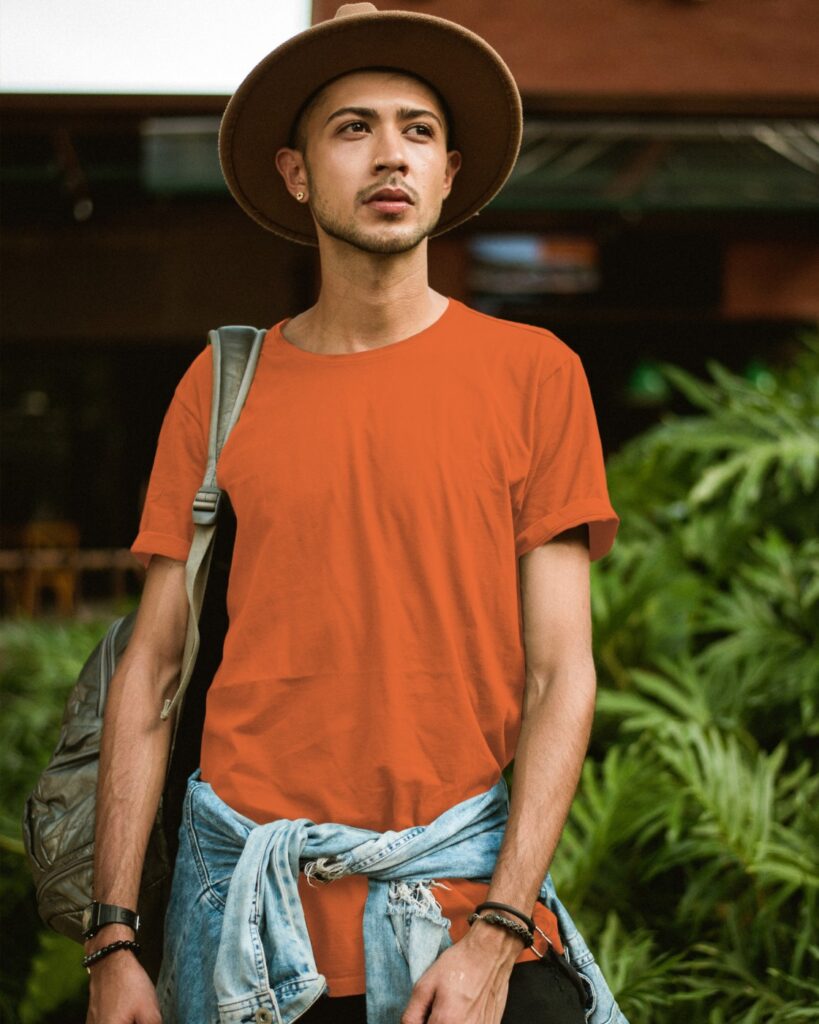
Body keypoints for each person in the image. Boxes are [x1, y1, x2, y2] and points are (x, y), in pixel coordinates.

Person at [83, 5, 626, 1023]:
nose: (391, 155)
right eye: (354, 127)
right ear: (295, 173)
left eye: (418, 130)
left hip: (460, 910)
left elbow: (562, 672)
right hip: (241, 907)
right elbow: (150, 673)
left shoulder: (534, 376)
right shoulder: (222, 383)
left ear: (450, 172)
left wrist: (501, 930)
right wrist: (113, 940)